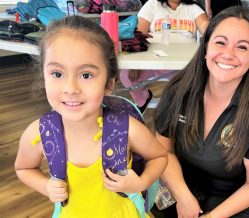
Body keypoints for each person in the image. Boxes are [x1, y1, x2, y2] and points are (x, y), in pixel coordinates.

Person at [15, 16, 168, 218]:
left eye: (86, 75)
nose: (70, 89)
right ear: (43, 75)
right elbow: (24, 168)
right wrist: (46, 186)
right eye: (57, 74)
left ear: (109, 84)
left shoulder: (127, 129)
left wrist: (141, 182)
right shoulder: (38, 133)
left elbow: (159, 156)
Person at [154, 6, 249, 218]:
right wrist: (183, 197)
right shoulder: (178, 91)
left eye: (242, 47)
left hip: (239, 198)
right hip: (186, 186)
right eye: (220, 42)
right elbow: (161, 153)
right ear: (206, 47)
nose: (228, 54)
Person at [119, 0, 209, 113]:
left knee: (197, 81)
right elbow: (140, 32)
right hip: (152, 60)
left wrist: (214, 31)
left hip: (183, 64)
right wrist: (135, 64)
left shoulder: (193, 7)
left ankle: (180, 104)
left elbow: (206, 26)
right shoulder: (153, 4)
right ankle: (143, 98)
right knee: (128, 75)